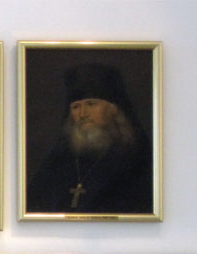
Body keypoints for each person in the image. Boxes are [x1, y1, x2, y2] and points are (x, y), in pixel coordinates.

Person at [27, 63, 153, 214]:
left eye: (91, 104)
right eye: (76, 107)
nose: (82, 114)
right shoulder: (59, 157)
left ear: (113, 109)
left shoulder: (136, 157)